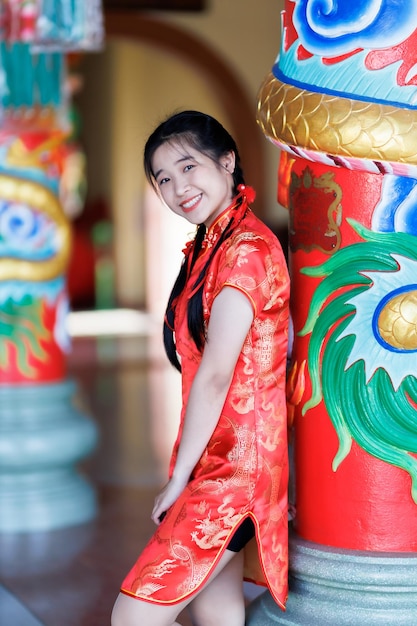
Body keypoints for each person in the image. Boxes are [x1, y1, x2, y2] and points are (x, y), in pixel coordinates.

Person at [111, 110, 290, 626]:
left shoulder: (247, 250)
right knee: (218, 614)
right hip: (218, 459)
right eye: (164, 178)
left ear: (227, 161)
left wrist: (181, 477)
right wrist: (186, 470)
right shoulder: (211, 247)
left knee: (134, 616)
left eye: (188, 167)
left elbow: (215, 377)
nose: (177, 187)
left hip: (237, 472)